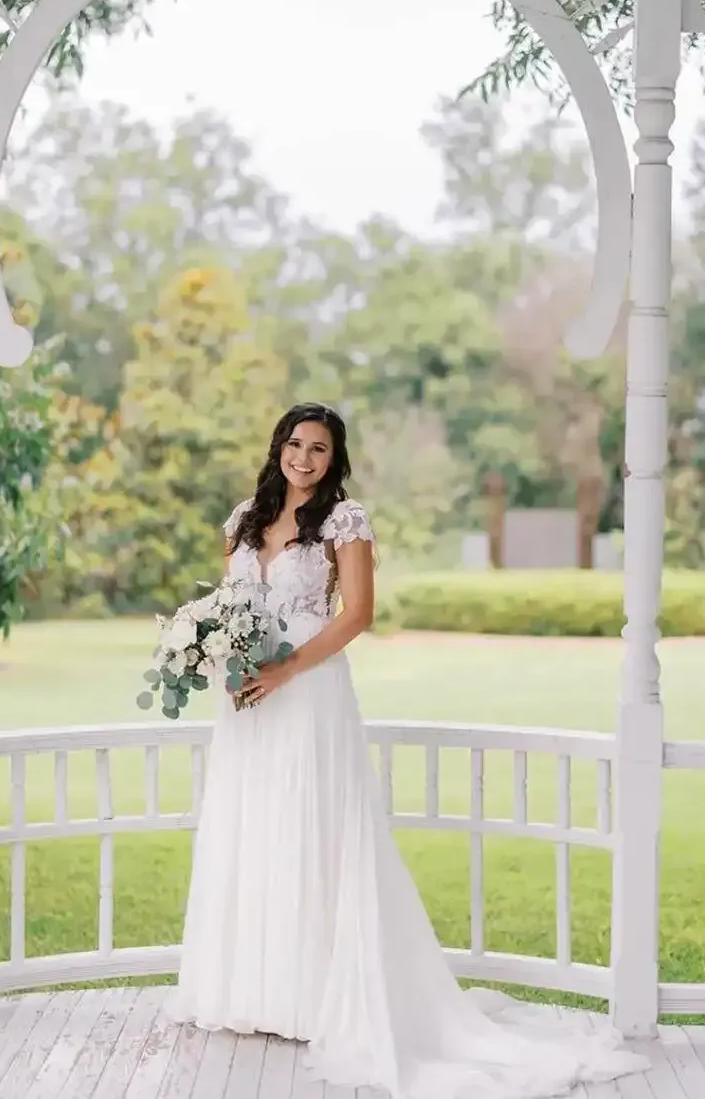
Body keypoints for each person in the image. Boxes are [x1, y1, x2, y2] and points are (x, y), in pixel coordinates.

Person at [167, 403, 650, 1098]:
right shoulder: (243, 519)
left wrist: (285, 668)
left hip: (308, 694)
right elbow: (231, 605)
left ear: (335, 459)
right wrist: (228, 660)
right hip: (248, 704)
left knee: (313, 832)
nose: (304, 457)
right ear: (277, 447)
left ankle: (314, 997)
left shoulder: (344, 520)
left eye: (320, 448)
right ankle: (253, 990)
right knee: (254, 831)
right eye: (295, 443)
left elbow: (357, 613)